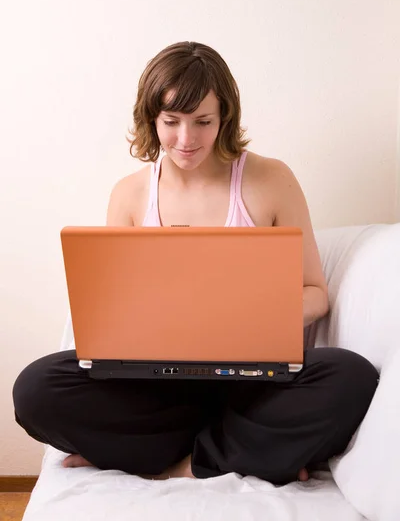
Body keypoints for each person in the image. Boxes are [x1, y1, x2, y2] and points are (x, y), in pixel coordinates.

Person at [13, 41, 378, 484]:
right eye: (172, 122)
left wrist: (249, 317)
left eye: (203, 122)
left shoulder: (271, 180)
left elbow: (315, 294)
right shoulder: (129, 195)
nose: (186, 140)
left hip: (251, 384)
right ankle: (243, 452)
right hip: (158, 389)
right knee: (35, 389)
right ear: (152, 118)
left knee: (352, 377)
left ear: (225, 118)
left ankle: (186, 463)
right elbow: (114, 311)